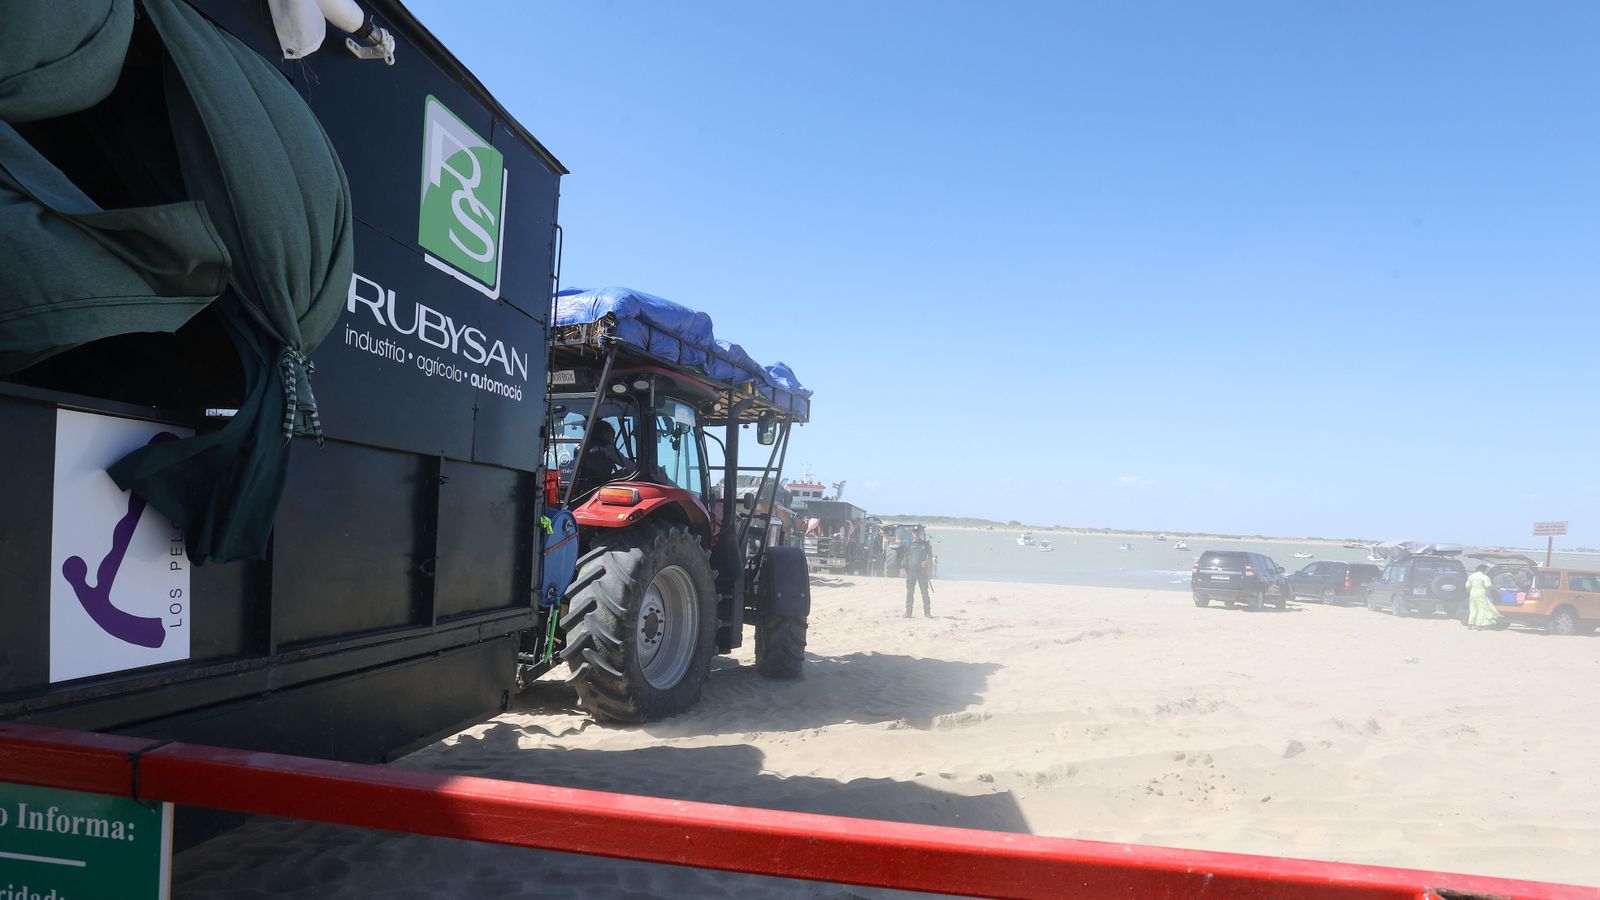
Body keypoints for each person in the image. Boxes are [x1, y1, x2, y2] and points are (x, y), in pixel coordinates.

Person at [904, 526, 933, 617]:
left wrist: (926, 561)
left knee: (924, 592)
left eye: (918, 532)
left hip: (922, 572)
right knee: (910, 592)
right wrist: (885, 535)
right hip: (911, 572)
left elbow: (931, 556)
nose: (916, 534)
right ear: (912, 534)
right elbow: (894, 541)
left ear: (920, 533)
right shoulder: (909, 543)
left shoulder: (925, 544)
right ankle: (908, 613)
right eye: (915, 532)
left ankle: (927, 613)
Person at [1465, 564, 1503, 630]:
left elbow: (1467, 586)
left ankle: (1470, 625)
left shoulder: (1471, 576)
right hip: (1481, 594)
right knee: (1481, 610)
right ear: (1484, 570)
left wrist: (1470, 591)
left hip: (1472, 594)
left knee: (1473, 609)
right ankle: (1479, 625)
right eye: (1486, 570)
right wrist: (1489, 595)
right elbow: (1488, 586)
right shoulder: (1484, 577)